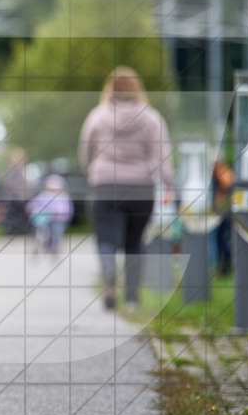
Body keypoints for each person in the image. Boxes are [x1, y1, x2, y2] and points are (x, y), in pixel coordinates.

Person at [79, 66, 175, 310]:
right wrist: (169, 184)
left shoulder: (97, 116)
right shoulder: (150, 117)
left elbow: (86, 149)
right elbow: (162, 153)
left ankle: (110, 279)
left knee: (106, 240)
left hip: (105, 185)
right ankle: (132, 297)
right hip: (141, 187)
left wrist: (91, 172)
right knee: (135, 243)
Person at [25, 174, 74, 256]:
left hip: (59, 220)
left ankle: (54, 247)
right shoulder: (43, 196)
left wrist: (64, 216)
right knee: (44, 232)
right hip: (45, 219)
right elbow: (32, 204)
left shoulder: (63, 197)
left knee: (56, 233)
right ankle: (43, 245)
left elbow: (68, 209)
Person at [211, 158, 234, 276]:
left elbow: (226, 185)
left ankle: (225, 267)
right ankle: (224, 267)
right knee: (222, 240)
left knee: (223, 240)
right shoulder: (222, 173)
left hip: (224, 215)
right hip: (223, 214)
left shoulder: (222, 172)